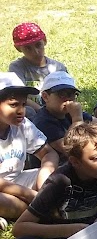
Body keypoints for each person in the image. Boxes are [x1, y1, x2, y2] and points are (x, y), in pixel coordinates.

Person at [33, 71, 97, 167]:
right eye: (62, 94)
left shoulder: (70, 112)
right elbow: (75, 151)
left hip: (89, 156)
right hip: (66, 165)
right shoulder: (43, 121)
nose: (68, 99)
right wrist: (77, 118)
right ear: (45, 97)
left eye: (72, 94)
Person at [0, 73, 59, 230]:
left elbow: (49, 153)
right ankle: (38, 211)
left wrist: (44, 177)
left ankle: (32, 210)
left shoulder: (22, 124)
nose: (21, 111)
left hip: (17, 180)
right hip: (5, 190)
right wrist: (27, 194)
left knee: (61, 177)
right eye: (13, 105)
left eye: (24, 104)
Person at [9, 22, 68, 114]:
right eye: (27, 48)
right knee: (28, 111)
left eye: (38, 45)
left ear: (44, 41)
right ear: (18, 48)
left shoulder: (58, 68)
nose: (35, 52)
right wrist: (42, 111)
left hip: (55, 112)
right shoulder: (17, 67)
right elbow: (19, 95)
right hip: (32, 112)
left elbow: (67, 95)